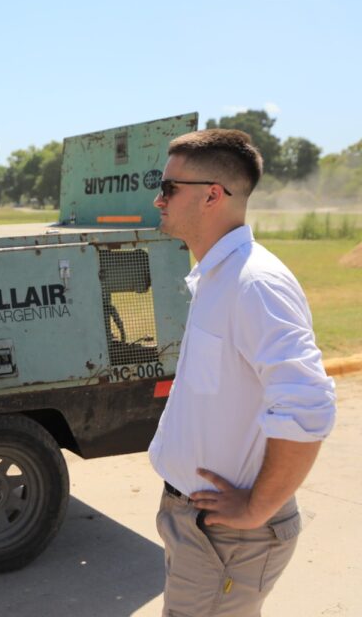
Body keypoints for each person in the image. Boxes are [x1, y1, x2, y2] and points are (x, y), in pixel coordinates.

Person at [148, 128, 337, 616]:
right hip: (201, 528)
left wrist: (256, 509)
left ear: (212, 194)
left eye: (168, 188)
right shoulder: (218, 275)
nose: (158, 198)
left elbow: (307, 405)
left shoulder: (255, 284)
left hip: (228, 539)